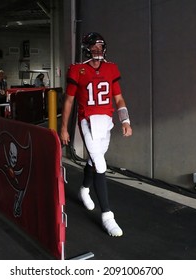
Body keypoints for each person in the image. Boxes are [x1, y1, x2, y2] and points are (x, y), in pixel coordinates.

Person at [60, 32, 133, 237]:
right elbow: (68, 101)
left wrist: (125, 120)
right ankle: (107, 216)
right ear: (86, 49)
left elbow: (118, 98)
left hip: (105, 122)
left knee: (93, 162)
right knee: (100, 164)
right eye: (94, 47)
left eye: (100, 47)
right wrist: (64, 128)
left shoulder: (111, 68)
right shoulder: (77, 69)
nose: (98, 50)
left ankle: (84, 188)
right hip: (87, 121)